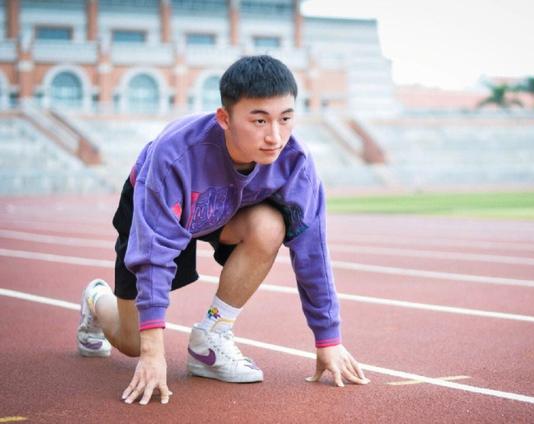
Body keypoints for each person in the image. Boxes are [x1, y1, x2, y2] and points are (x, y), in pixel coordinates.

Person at [76, 55, 370, 406]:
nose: (275, 136)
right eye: (259, 120)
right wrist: (153, 353)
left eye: (285, 118)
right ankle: (96, 299)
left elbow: (312, 252)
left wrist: (328, 339)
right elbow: (154, 254)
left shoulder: (295, 163)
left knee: (270, 225)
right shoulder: (175, 155)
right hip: (163, 207)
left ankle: (212, 336)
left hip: (228, 209)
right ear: (224, 118)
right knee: (133, 342)